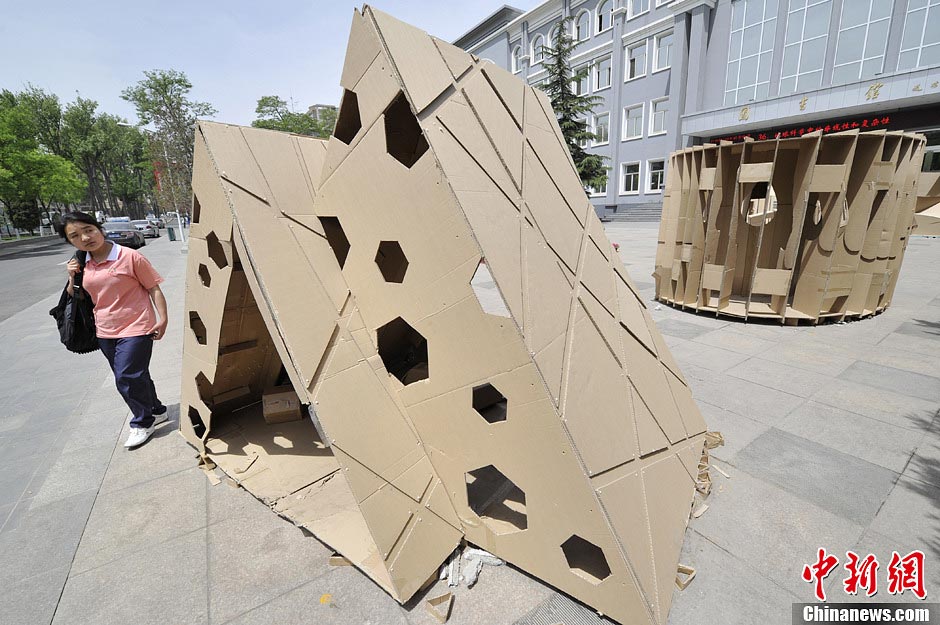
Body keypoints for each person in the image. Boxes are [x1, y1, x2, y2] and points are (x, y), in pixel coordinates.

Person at [60, 211, 169, 448]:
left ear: (99, 228)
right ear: (70, 241)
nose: (85, 238)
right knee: (137, 374)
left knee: (126, 376)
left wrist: (163, 319)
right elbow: (74, 296)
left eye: (88, 230)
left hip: (137, 325)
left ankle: (142, 422)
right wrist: (72, 276)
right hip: (105, 330)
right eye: (75, 235)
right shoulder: (81, 263)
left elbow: (154, 289)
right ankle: (157, 410)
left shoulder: (129, 257)